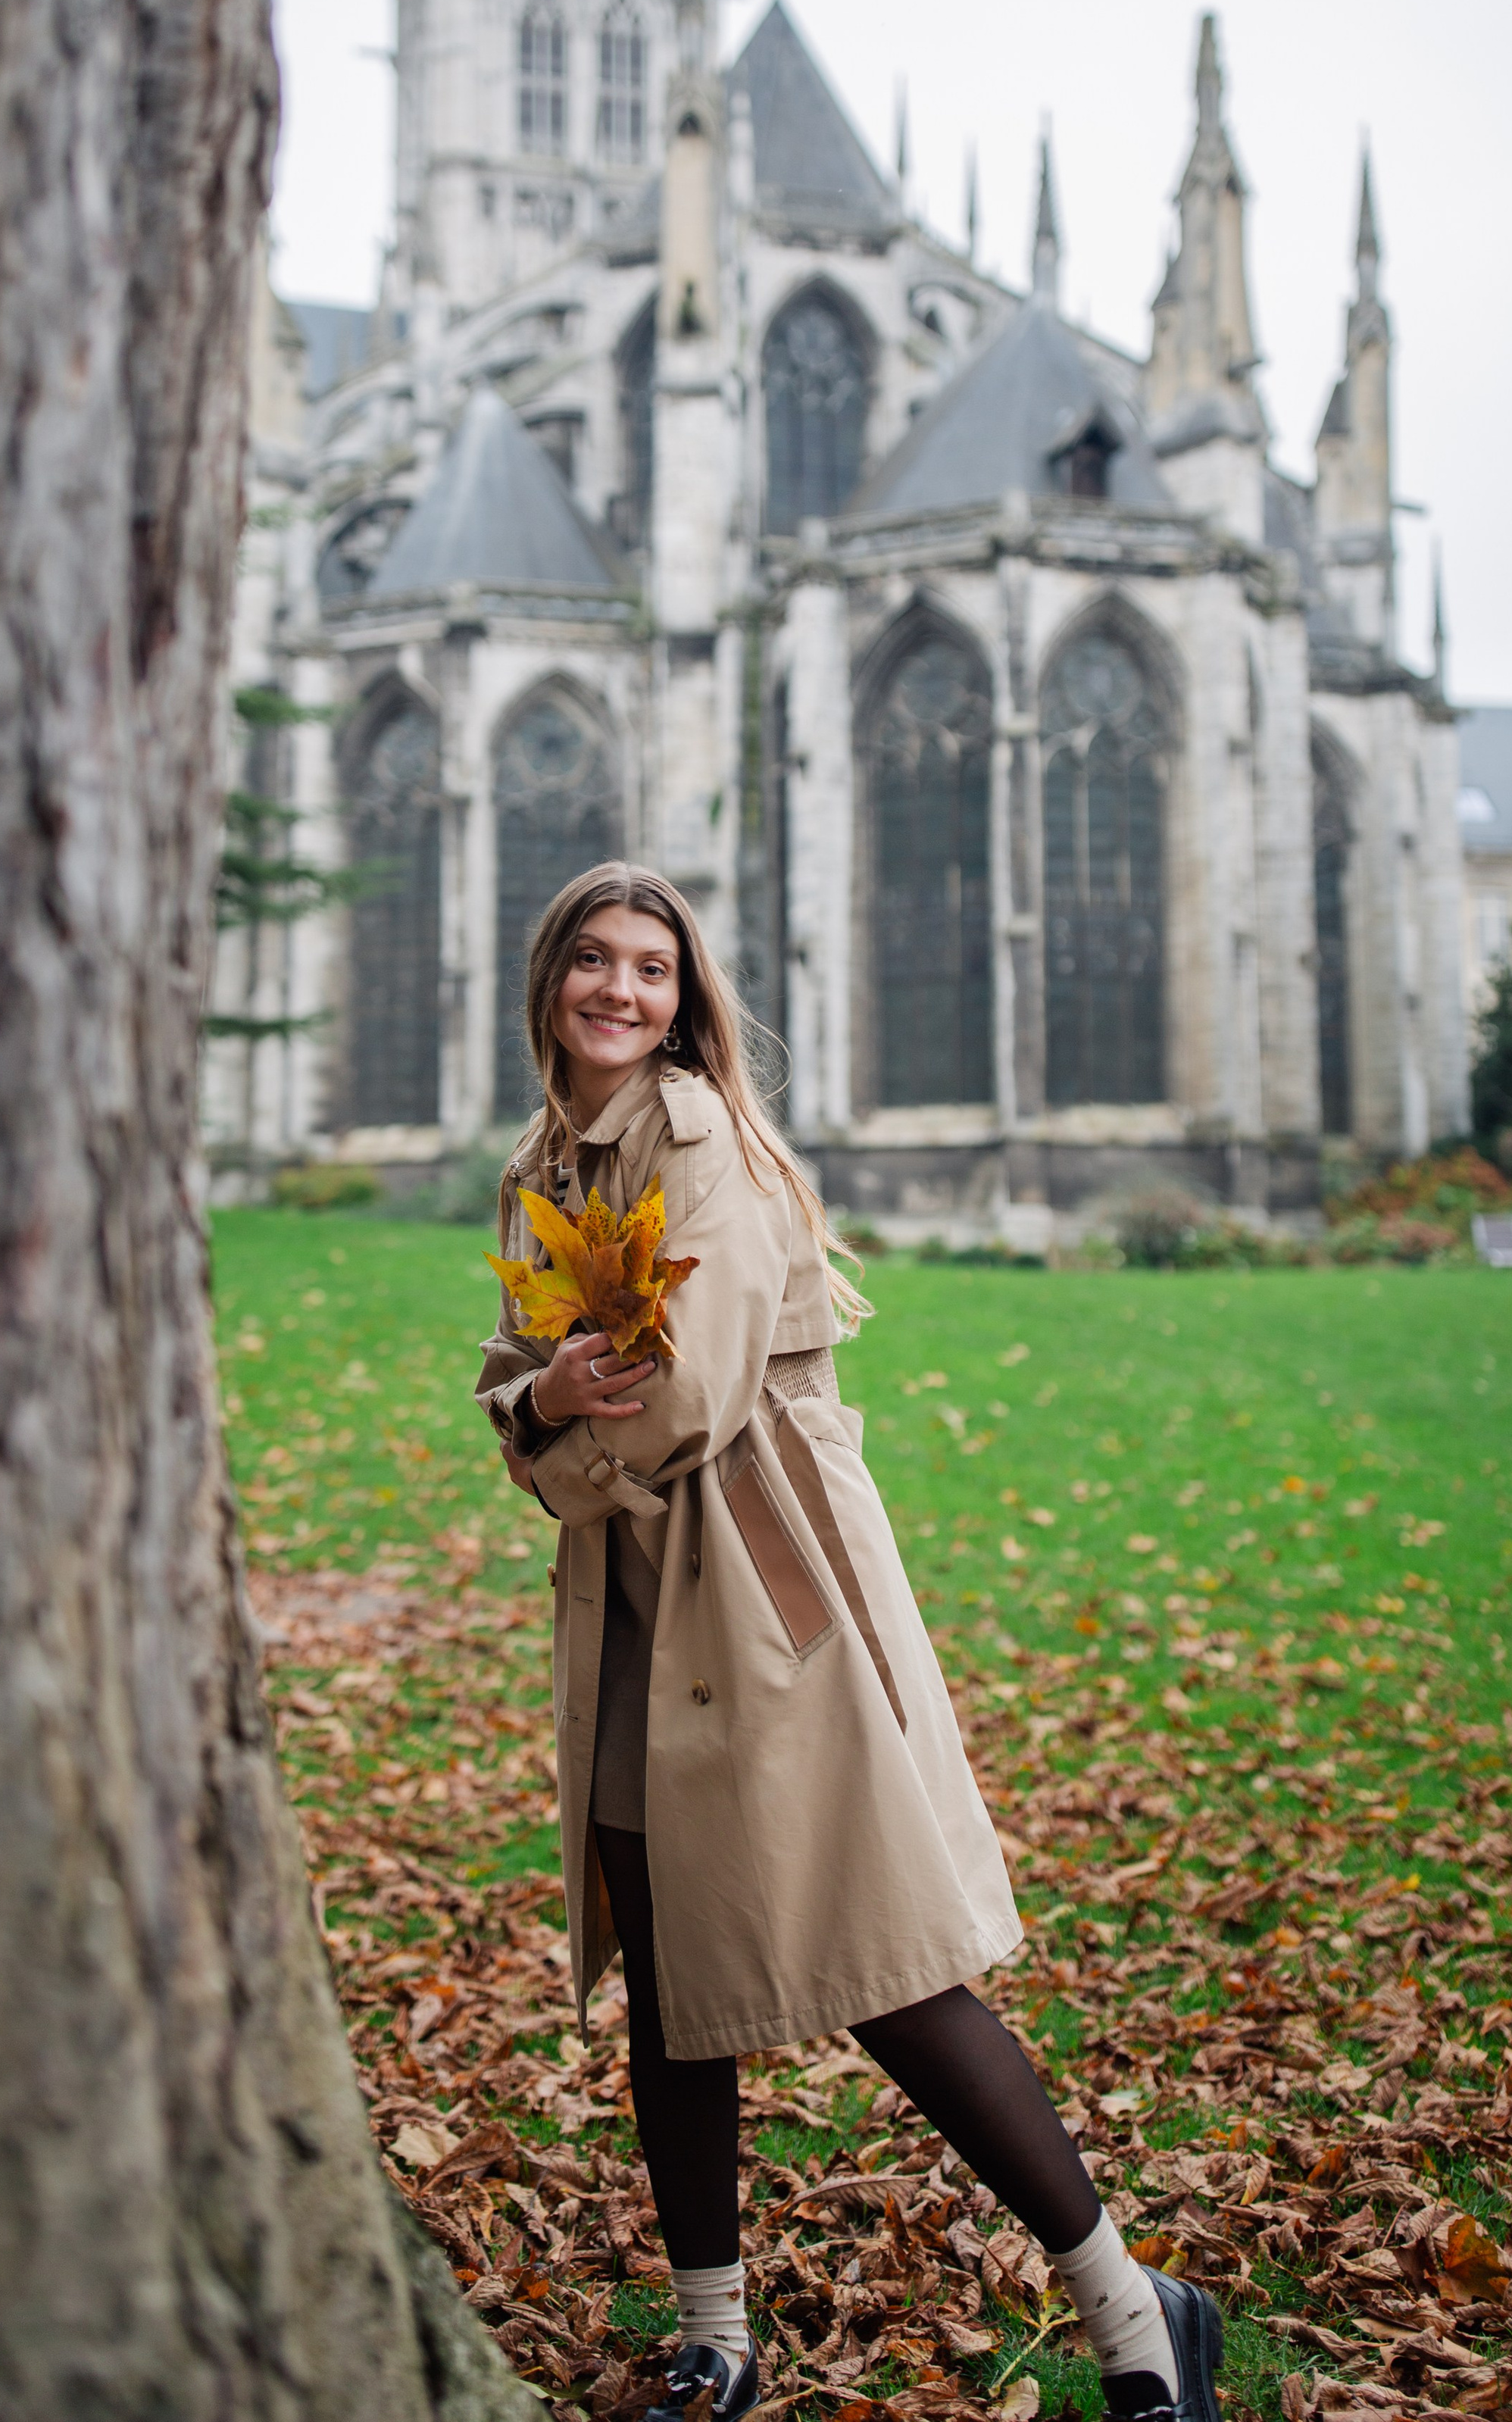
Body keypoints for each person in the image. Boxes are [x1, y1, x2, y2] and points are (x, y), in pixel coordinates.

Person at [476, 863, 1221, 2422]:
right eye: (594, 963)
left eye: (653, 971)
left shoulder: (696, 1144)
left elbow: (681, 1410)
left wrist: (553, 1441)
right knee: (674, 1981)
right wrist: (543, 1409)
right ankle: (715, 2337)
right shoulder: (549, 1158)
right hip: (630, 1609)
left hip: (761, 1597)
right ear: (550, 979)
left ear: (686, 1002)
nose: (621, 991)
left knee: (881, 1963)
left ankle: (1131, 2311)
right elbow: (522, 1376)